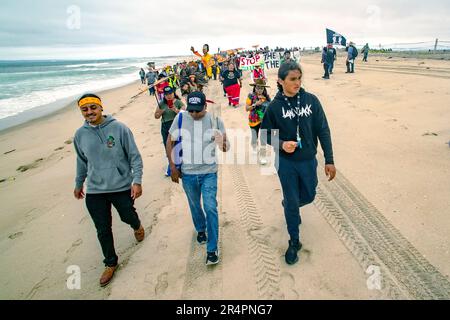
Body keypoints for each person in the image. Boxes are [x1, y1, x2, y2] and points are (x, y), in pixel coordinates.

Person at [261, 62, 336, 265]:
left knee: (310, 195)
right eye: (292, 79)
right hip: (286, 163)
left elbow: (323, 130)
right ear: (280, 81)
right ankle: (294, 240)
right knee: (293, 202)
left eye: (299, 78)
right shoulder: (274, 107)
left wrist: (329, 159)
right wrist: (282, 144)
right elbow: (264, 134)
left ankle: (289, 205)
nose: (297, 82)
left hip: (308, 160)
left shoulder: (311, 101)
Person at [73, 93, 145, 286]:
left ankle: (137, 225)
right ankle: (110, 263)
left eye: (93, 108)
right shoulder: (80, 135)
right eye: (85, 109)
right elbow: (81, 161)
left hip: (121, 186)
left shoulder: (119, 128)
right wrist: (79, 183)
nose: (89, 112)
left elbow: (134, 157)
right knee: (102, 229)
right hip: (95, 190)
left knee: (127, 216)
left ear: (101, 108)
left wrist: (136, 181)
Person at [166, 91, 230, 265]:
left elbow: (225, 148)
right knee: (194, 205)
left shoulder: (215, 121)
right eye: (191, 110)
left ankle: (212, 249)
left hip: (209, 172)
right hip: (187, 173)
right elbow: (170, 140)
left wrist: (221, 141)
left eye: (198, 111)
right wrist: (172, 166)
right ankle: (200, 229)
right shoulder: (180, 118)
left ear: (205, 107)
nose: (194, 114)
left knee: (210, 207)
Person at [155, 86, 186, 176]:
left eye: (170, 94)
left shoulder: (179, 102)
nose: (168, 96)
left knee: (178, 145)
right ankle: (170, 166)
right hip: (165, 127)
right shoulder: (161, 104)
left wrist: (175, 109)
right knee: (168, 147)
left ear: (174, 93)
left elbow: (184, 114)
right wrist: (160, 112)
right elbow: (156, 116)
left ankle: (180, 165)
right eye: (166, 94)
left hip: (176, 126)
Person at [245, 78, 271, 165]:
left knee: (263, 139)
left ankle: (263, 157)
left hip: (263, 121)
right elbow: (246, 108)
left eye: (261, 88)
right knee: (254, 138)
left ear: (264, 89)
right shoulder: (250, 96)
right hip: (253, 120)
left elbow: (270, 108)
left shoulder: (267, 97)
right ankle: (254, 147)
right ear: (254, 88)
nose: (259, 90)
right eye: (257, 88)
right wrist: (255, 104)